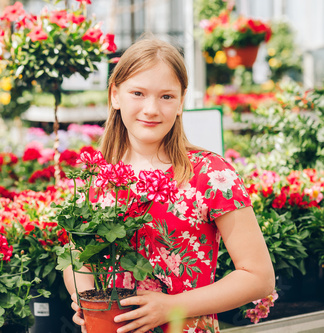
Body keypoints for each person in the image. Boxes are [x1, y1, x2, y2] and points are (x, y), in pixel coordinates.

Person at [63, 37, 275, 333]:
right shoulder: (96, 175)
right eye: (138, 93)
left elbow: (258, 277)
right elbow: (76, 258)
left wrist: (171, 307)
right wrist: (85, 298)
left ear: (181, 102)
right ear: (115, 95)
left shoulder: (210, 173)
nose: (151, 109)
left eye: (166, 96)